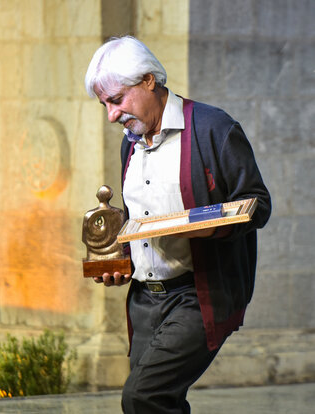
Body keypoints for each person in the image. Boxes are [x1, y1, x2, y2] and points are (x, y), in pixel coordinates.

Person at [84, 36, 271, 413]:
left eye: (116, 100)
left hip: (196, 295)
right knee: (157, 404)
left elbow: (259, 205)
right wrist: (122, 259)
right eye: (104, 104)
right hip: (144, 300)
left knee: (142, 397)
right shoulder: (130, 144)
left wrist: (205, 225)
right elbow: (138, 219)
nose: (111, 115)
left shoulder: (213, 128)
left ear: (149, 81)